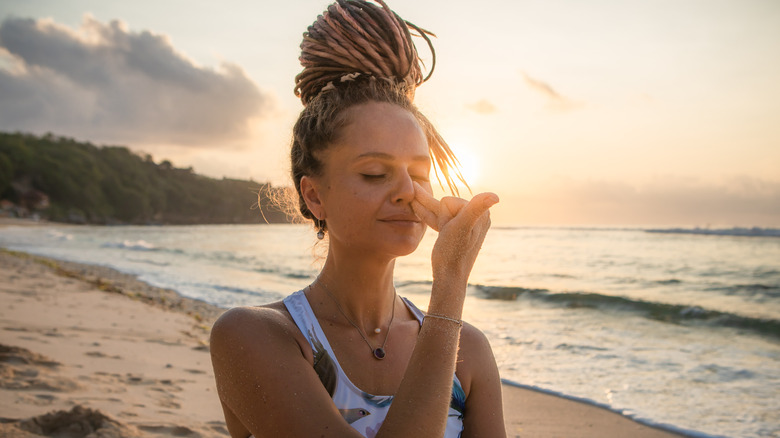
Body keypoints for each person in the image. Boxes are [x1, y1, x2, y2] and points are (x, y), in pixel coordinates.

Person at [210, 1, 505, 436]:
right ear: (314, 196)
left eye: (419, 174)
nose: (407, 191)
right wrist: (450, 286)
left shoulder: (470, 352)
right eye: (374, 173)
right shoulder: (255, 335)